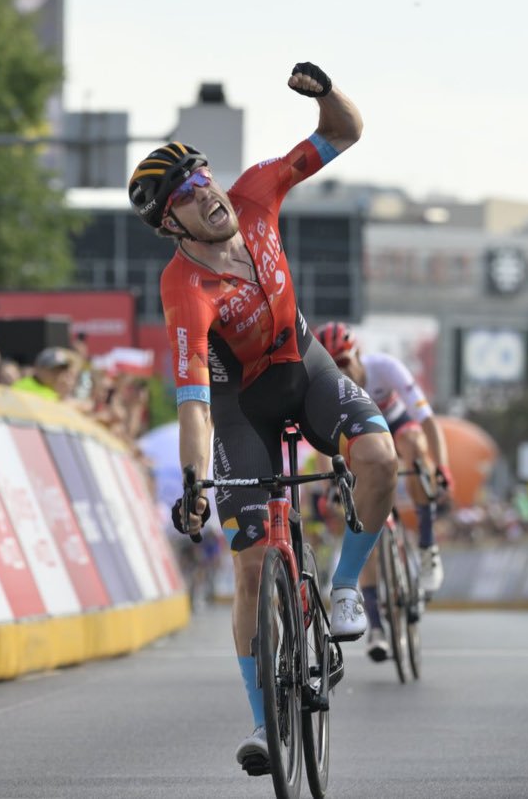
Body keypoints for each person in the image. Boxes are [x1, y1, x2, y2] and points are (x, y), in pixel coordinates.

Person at [128, 62, 397, 774]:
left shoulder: (254, 192)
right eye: (186, 192)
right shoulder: (184, 287)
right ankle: (259, 722)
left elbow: (345, 132)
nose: (206, 192)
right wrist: (192, 482)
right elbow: (192, 403)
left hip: (304, 368)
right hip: (239, 406)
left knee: (380, 460)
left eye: (202, 175)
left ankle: (343, 588)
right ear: (168, 222)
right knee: (250, 566)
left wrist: (325, 93)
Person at [314, 322, 454, 659]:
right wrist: (330, 486)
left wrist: (441, 465)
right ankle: (376, 626)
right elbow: (323, 448)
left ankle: (427, 546)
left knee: (411, 444)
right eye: (333, 365)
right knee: (367, 534)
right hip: (359, 440)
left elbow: (427, 420)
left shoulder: (385, 368)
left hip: (396, 426)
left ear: (359, 354)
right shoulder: (326, 389)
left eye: (345, 361)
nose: (341, 370)